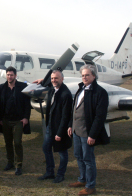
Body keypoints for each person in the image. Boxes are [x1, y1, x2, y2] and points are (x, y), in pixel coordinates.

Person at [67, 64, 110, 195]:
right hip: (76, 131)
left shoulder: (100, 92)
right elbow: (74, 110)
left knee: (88, 159)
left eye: (87, 75)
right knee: (78, 156)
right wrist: (70, 125)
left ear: (94, 76)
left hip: (87, 133)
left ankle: (91, 186)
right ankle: (83, 179)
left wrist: (92, 135)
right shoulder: (81, 89)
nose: (84, 77)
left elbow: (100, 116)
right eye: (83, 75)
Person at [37, 70, 72, 183]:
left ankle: (61, 174)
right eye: (52, 78)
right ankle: (50, 172)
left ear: (62, 79)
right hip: (50, 127)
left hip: (59, 129)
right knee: (46, 148)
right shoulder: (52, 89)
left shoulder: (65, 94)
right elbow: (49, 83)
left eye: (56, 78)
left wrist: (60, 133)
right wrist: (42, 81)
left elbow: (66, 116)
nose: (53, 80)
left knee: (62, 152)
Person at [0, 66, 31, 176]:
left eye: (12, 75)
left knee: (17, 142)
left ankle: (18, 165)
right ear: (6, 75)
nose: (9, 76)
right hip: (6, 120)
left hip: (18, 120)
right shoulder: (1, 88)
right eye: (8, 75)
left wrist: (26, 117)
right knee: (8, 143)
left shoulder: (23, 86)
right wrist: (0, 119)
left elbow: (27, 104)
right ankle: (10, 162)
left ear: (15, 76)